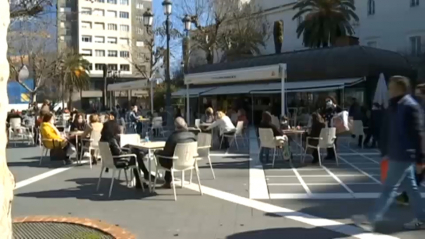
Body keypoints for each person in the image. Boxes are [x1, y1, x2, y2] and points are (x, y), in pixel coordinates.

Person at [352, 76, 425, 231]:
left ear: (400, 88)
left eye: (392, 87)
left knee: (389, 189)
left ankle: (371, 219)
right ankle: (422, 217)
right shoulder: (397, 105)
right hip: (398, 153)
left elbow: (417, 134)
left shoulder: (409, 106)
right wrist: (386, 151)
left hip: (403, 155)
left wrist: (420, 160)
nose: (389, 91)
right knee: (411, 188)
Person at [100, 111, 152, 188]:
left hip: (109, 161)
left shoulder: (103, 140)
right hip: (117, 161)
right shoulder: (112, 140)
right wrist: (129, 151)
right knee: (135, 155)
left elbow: (116, 150)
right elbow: (119, 153)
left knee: (135, 152)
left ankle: (142, 178)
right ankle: (144, 175)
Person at [155, 117, 197, 188]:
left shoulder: (173, 137)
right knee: (171, 155)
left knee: (167, 156)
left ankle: (167, 181)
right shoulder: (193, 136)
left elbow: (166, 152)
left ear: (175, 126)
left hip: (174, 163)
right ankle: (168, 181)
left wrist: (157, 152)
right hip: (190, 162)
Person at [321, 96, 342, 160]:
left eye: (329, 100)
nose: (328, 102)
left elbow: (341, 112)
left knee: (334, 140)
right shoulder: (326, 108)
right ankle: (329, 154)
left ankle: (334, 154)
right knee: (328, 140)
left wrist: (334, 106)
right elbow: (323, 114)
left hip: (334, 126)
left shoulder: (336, 107)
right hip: (328, 125)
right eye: (326, 101)